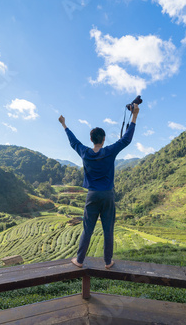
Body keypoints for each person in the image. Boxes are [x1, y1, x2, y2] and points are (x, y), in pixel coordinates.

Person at [58, 104, 139, 269]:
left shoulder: (85, 152)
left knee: (87, 228)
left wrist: (64, 125)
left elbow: (73, 142)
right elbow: (126, 139)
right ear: (103, 139)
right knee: (108, 229)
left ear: (91, 139)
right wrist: (135, 116)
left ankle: (79, 260)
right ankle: (108, 262)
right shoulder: (109, 151)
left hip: (92, 195)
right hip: (108, 195)